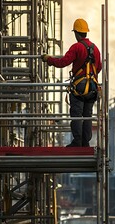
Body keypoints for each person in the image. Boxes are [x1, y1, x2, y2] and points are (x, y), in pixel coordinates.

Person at [41, 18, 102, 147]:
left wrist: (48, 59)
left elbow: (62, 62)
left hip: (79, 87)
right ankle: (85, 143)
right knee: (87, 116)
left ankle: (77, 142)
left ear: (76, 33)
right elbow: (99, 67)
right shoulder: (95, 49)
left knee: (77, 114)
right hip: (92, 87)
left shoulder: (77, 47)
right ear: (85, 32)